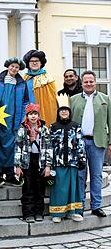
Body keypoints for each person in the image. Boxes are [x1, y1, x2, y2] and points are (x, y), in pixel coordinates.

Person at [71, 70, 111, 218]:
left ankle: (96, 206)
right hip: (78, 143)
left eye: (91, 81)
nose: (88, 84)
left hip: (97, 142)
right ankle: (80, 206)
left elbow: (110, 121)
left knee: (97, 175)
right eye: (86, 81)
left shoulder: (105, 99)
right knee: (80, 175)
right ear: (81, 83)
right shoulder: (73, 99)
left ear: (95, 82)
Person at [0, 58, 29, 187]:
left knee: (11, 146)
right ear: (8, 66)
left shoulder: (22, 83)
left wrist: (23, 116)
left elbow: (25, 101)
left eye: (17, 67)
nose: (14, 69)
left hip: (13, 118)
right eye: (12, 66)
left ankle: (10, 175)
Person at [49, 94, 86, 223]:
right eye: (61, 110)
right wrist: (49, 162)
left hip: (72, 161)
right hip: (58, 162)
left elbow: (80, 143)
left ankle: (73, 212)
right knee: (59, 187)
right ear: (58, 112)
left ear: (69, 112)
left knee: (72, 187)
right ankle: (58, 212)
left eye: (66, 110)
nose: (64, 112)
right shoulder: (53, 127)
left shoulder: (76, 126)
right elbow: (50, 145)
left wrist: (82, 159)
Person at [14, 104, 52, 223]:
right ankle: (28, 213)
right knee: (28, 188)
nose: (33, 116)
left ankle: (39, 212)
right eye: (31, 114)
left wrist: (48, 165)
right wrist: (18, 165)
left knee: (40, 188)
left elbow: (49, 147)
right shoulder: (23, 129)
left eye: (35, 114)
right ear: (27, 116)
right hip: (27, 161)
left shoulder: (44, 129)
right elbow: (18, 147)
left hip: (40, 161)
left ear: (38, 115)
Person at [23, 50, 58, 127]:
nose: (34, 63)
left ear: (41, 63)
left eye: (37, 61)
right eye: (31, 61)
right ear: (28, 64)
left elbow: (52, 101)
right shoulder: (24, 79)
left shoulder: (48, 79)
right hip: (26, 113)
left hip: (43, 112)